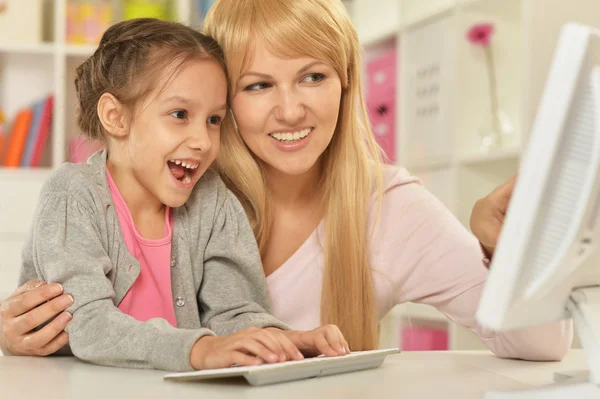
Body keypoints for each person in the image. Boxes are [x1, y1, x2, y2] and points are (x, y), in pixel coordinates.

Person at [0, 0, 572, 360]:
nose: (291, 110)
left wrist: (506, 248)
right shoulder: (184, 180)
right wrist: (13, 337)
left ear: (346, 84)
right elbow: (87, 312)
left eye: (313, 76)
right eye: (256, 86)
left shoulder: (391, 210)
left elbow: (542, 345)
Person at [0, 18, 347, 371]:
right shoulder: (73, 196)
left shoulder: (214, 201)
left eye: (214, 120)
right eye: (180, 114)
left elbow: (235, 311)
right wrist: (199, 349)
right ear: (115, 116)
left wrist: (284, 340)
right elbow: (88, 323)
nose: (203, 140)